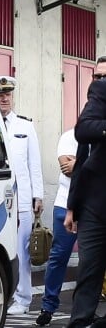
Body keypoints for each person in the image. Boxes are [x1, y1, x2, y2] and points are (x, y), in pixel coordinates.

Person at [0, 75, 44, 315]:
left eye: (7, 94)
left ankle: (23, 298)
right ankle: (0, 295)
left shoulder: (24, 126)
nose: (4, 98)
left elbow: (35, 164)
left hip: (21, 200)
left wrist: (38, 196)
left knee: (23, 251)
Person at [64, 59, 106, 328]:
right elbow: (83, 133)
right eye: (98, 75)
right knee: (88, 273)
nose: (100, 79)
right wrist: (73, 207)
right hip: (96, 204)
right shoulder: (101, 93)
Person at [35, 128, 78, 326]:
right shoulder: (69, 136)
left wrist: (79, 164)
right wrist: (93, 166)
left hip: (94, 207)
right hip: (65, 204)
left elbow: (78, 169)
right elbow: (66, 169)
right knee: (58, 257)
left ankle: (85, 309)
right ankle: (48, 306)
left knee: (91, 261)